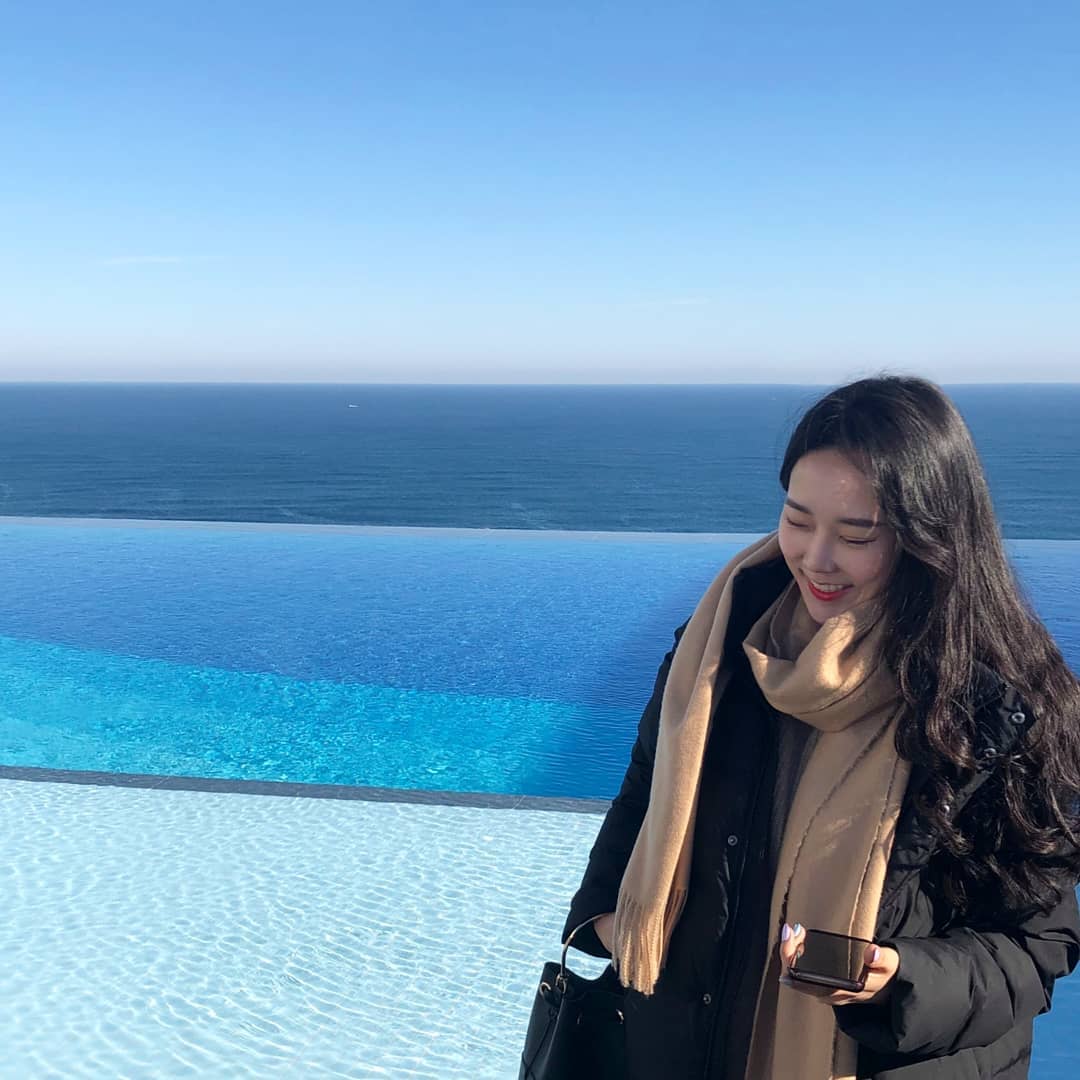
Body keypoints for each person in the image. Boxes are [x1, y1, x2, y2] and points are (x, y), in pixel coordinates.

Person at [563, 375, 1080, 1079]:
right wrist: (605, 915)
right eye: (798, 520)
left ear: (928, 538)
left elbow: (1034, 945)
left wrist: (898, 981)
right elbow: (643, 794)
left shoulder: (998, 707)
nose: (816, 558)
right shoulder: (718, 651)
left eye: (857, 534)